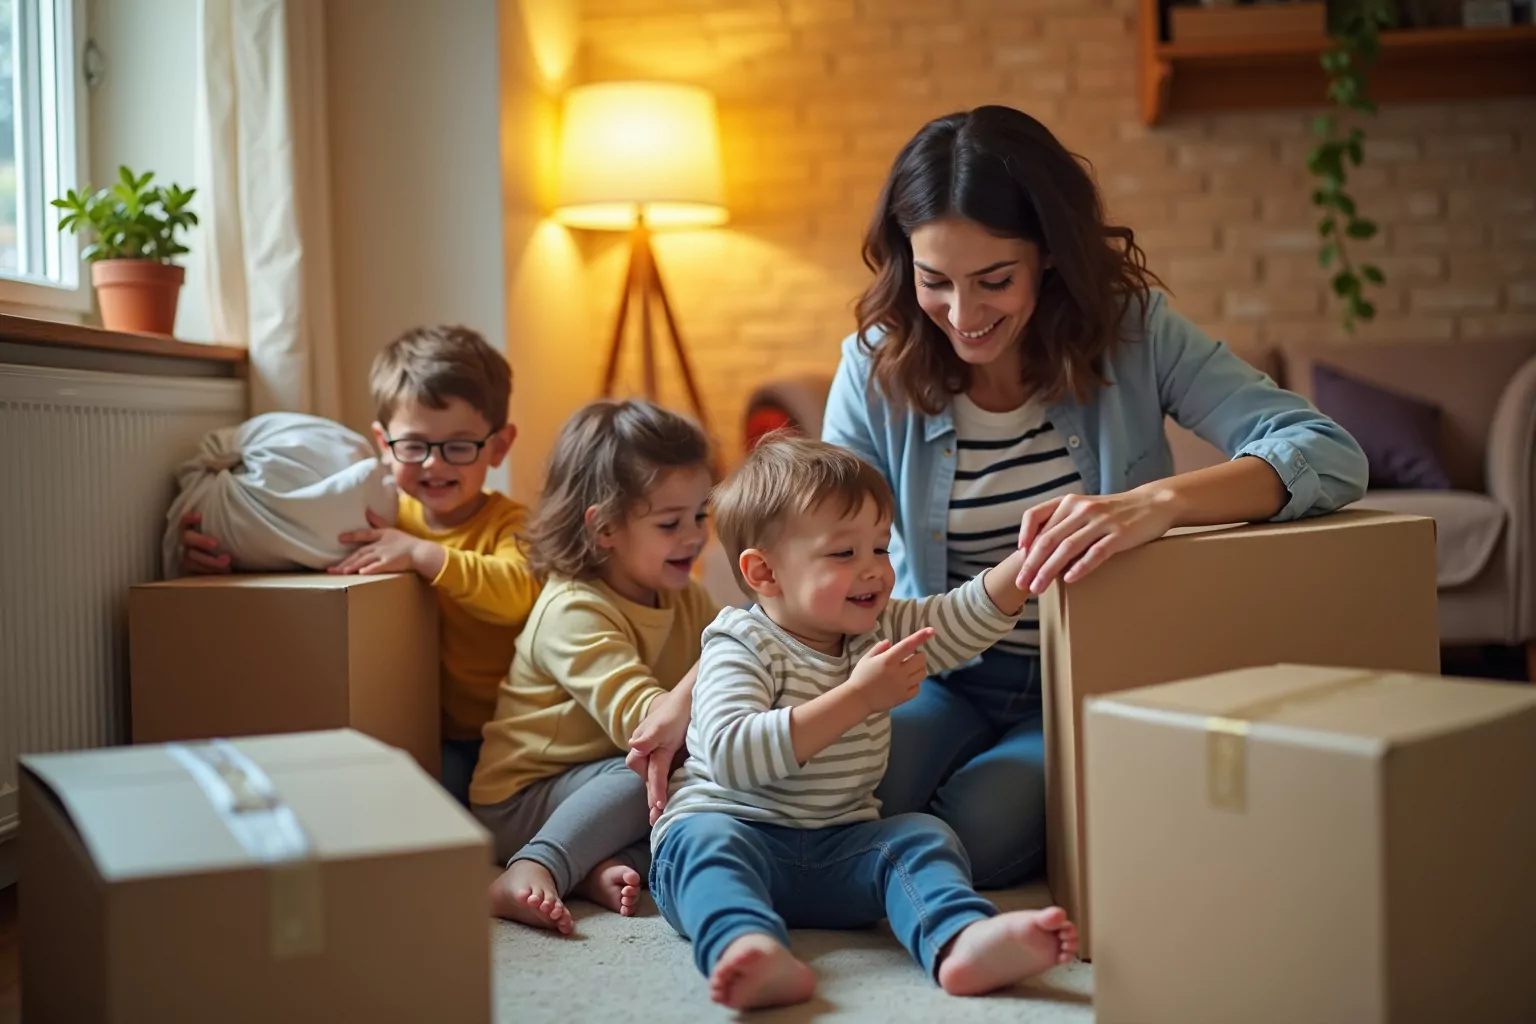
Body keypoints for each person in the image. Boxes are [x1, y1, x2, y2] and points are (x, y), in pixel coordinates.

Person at [812, 104, 1370, 888]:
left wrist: (1160, 504)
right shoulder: (878, 363)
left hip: (1091, 678)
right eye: (936, 282)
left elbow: (1328, 453)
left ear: (1048, 255)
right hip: (934, 672)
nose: (964, 317)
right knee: (841, 795)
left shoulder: (1134, 332)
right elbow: (804, 544)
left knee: (972, 831)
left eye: (995, 281)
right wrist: (699, 689)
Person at [649, 436, 1079, 1011]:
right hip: (737, 829)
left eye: (880, 547)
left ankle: (960, 939)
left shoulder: (877, 629)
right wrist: (856, 699)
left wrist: (1026, 565)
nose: (875, 570)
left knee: (922, 837)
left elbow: (957, 618)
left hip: (837, 847)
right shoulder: (740, 644)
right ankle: (748, 947)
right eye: (844, 554)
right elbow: (733, 755)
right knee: (702, 846)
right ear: (765, 572)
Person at [178, 325, 540, 807]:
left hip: (514, 734)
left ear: (499, 445)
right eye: (414, 446)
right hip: (424, 731)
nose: (434, 465)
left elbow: (516, 593)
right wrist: (219, 556)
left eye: (459, 446)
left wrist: (420, 553)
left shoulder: (509, 524)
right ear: (383, 443)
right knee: (409, 807)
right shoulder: (379, 517)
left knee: (509, 812)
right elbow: (307, 554)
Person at [468, 399, 717, 933]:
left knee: (710, 801)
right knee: (658, 771)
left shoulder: (686, 598)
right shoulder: (572, 610)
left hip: (604, 779)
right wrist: (736, 645)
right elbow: (648, 731)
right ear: (604, 529)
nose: (695, 536)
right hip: (523, 799)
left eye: (701, 515)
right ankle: (535, 864)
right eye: (671, 522)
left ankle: (591, 868)